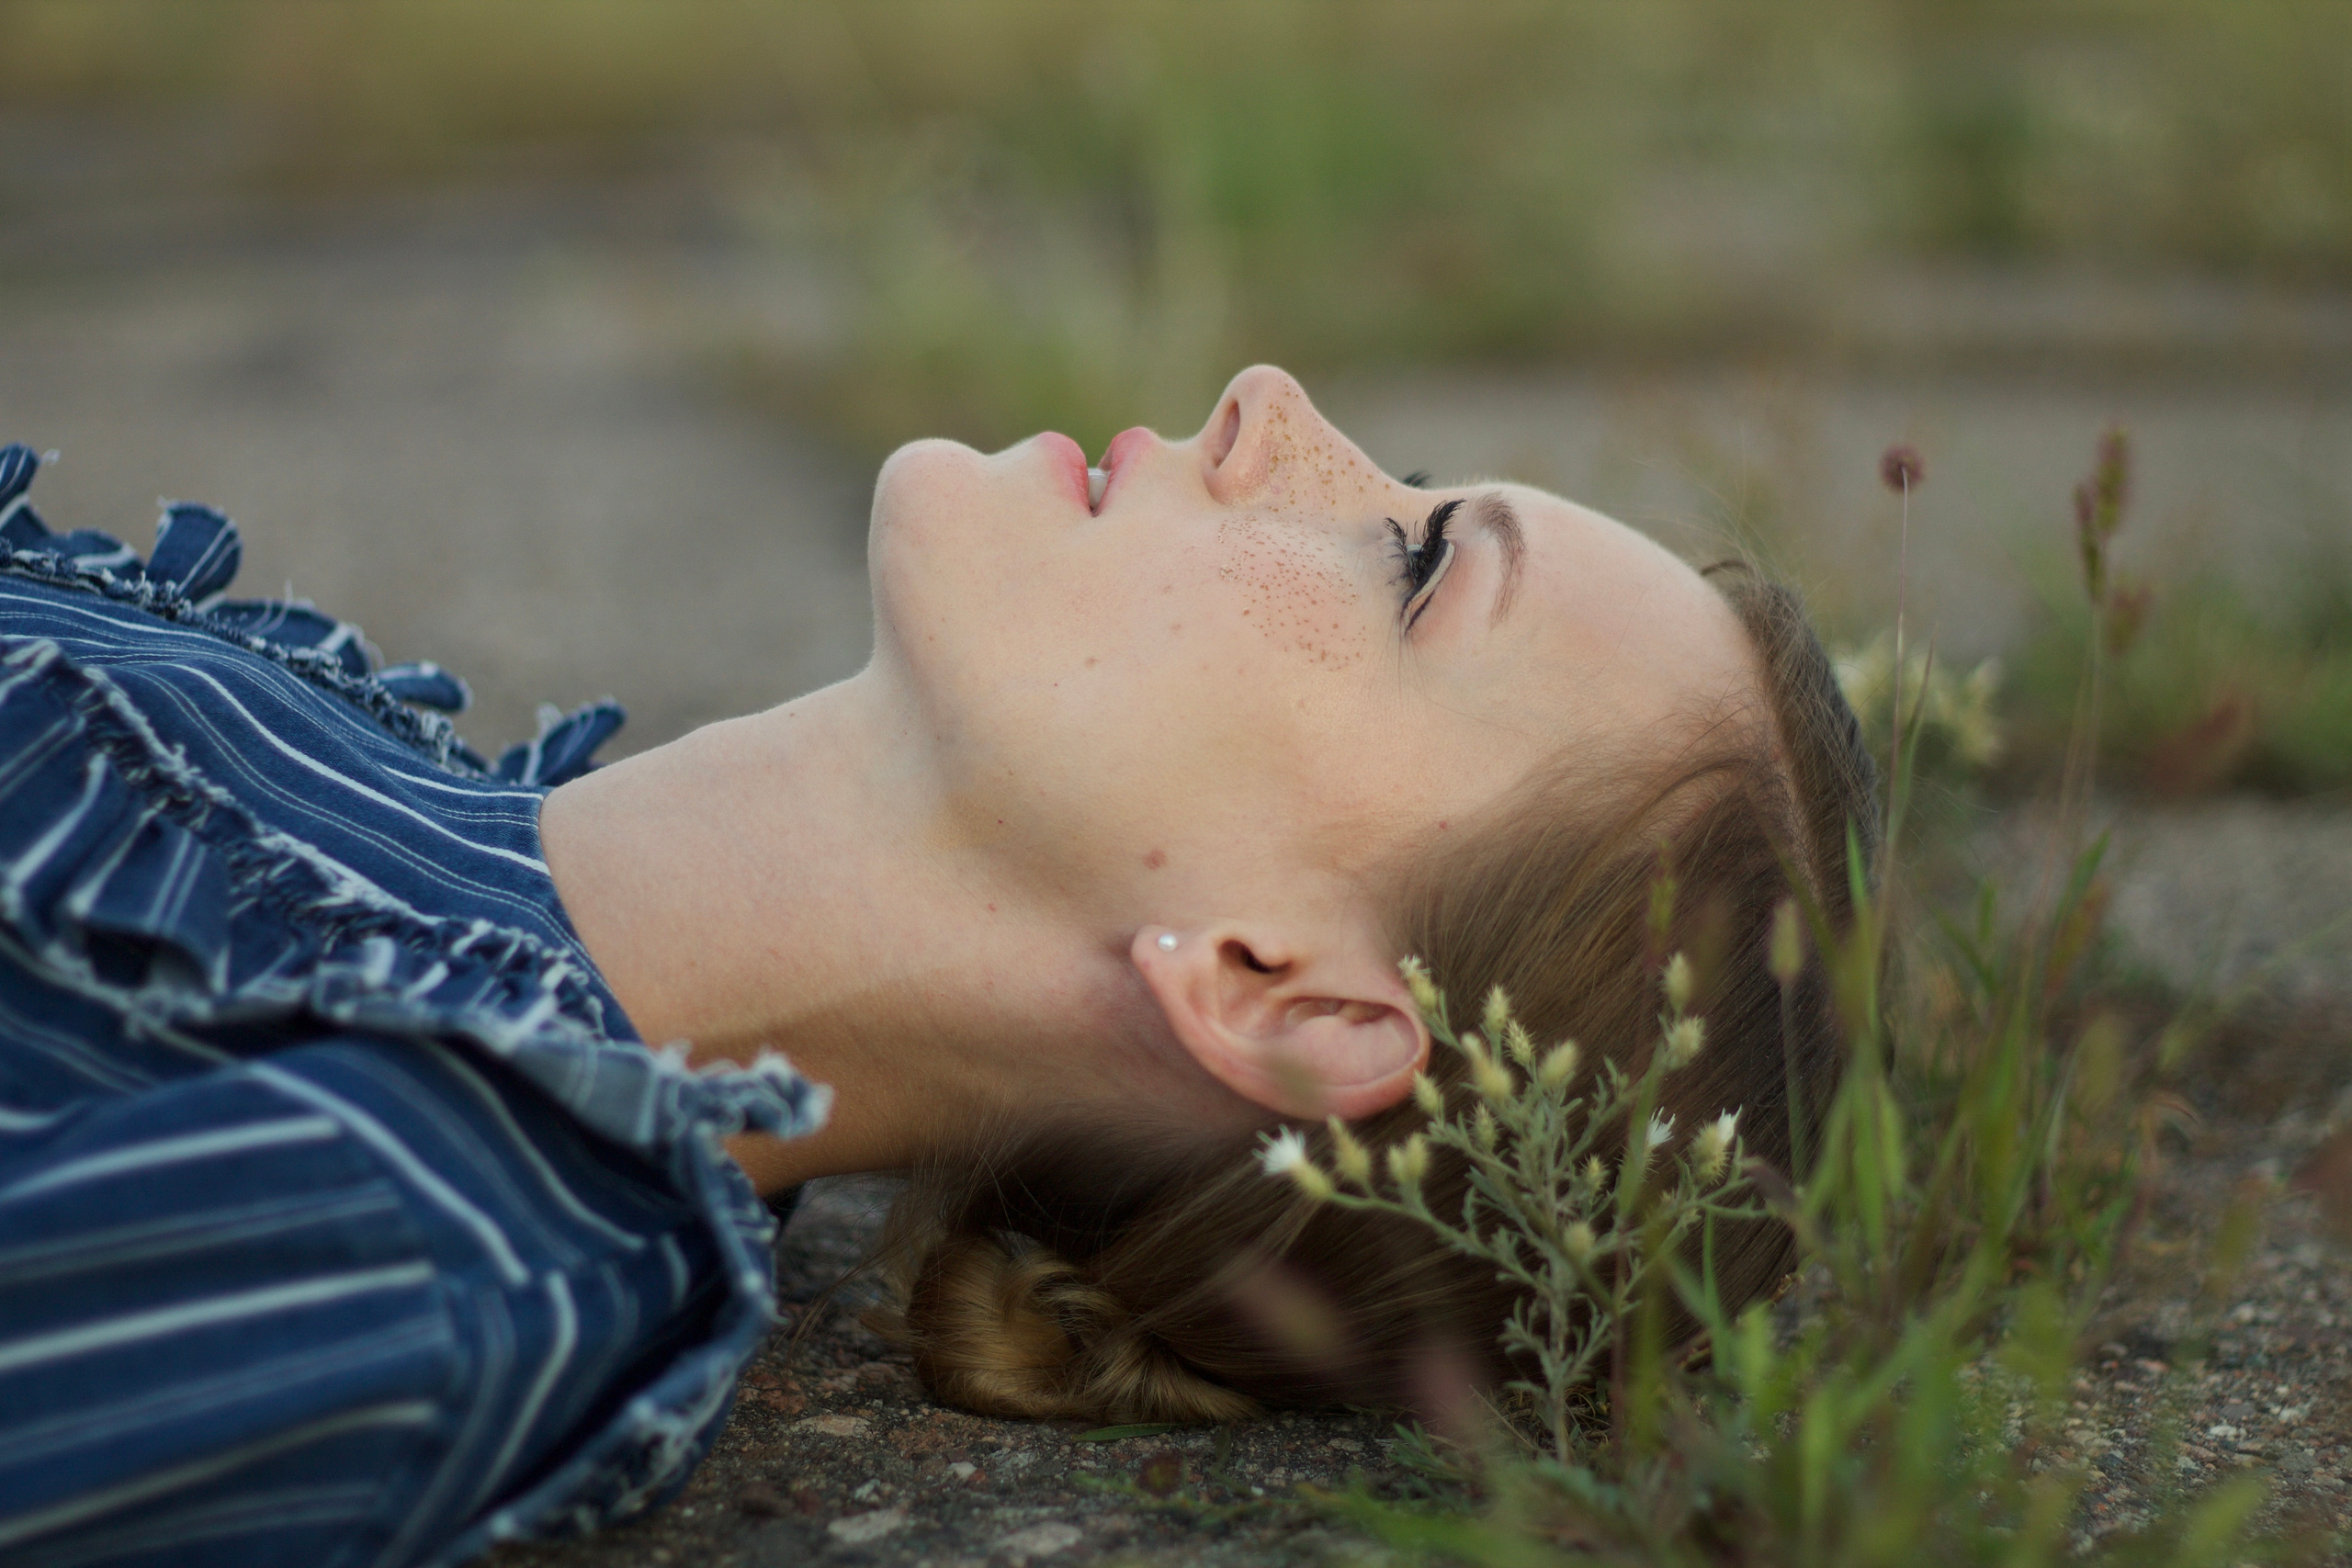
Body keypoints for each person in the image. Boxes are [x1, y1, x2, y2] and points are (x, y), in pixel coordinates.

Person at [0, 366, 1872, 1564]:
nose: (1267, 399)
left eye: (1408, 565)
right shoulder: (329, 771)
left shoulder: (425, 1242)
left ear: (1280, 989)